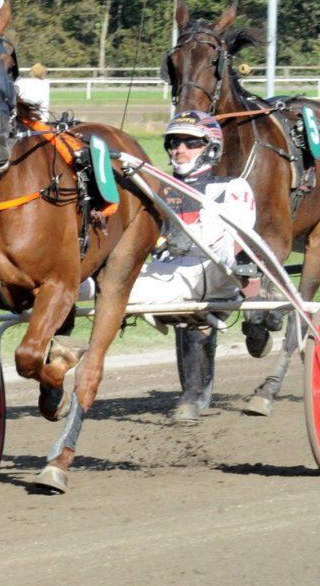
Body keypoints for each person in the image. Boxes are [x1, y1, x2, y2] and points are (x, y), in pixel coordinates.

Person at [126, 111, 256, 424]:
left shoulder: (232, 187)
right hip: (169, 274)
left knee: (212, 256)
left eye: (190, 142)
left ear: (210, 148)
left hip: (217, 271)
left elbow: (235, 241)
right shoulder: (154, 189)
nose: (179, 149)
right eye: (173, 142)